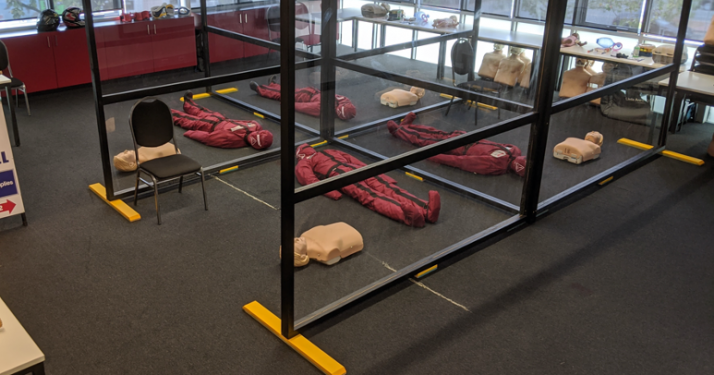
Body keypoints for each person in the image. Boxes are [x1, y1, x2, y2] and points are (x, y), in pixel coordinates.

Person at [294, 143, 440, 227]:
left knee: (374, 196)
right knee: (386, 191)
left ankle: (421, 211)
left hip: (344, 176)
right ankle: (417, 211)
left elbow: (310, 181)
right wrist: (371, 171)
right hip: (349, 174)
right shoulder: (324, 153)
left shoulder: (305, 162)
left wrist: (333, 193)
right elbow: (353, 160)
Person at [387, 111, 527, 177]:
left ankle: (398, 131)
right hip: (465, 138)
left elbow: (461, 162)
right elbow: (492, 142)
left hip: (458, 147)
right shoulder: (514, 151)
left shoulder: (496, 165)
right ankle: (407, 126)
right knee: (433, 132)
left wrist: (434, 156)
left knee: (423, 140)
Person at [171, 93, 274, 150]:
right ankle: (188, 103)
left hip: (209, 126)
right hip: (221, 119)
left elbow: (208, 138)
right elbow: (245, 122)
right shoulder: (254, 127)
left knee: (186, 119)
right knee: (202, 111)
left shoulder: (231, 139)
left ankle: (166, 113)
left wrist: (191, 133)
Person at [249, 77, 357, 120]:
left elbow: (304, 107)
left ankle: (260, 90)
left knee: (281, 94)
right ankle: (272, 85)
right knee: (286, 91)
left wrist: (289, 104)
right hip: (310, 94)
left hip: (308, 95)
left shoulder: (324, 107)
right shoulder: (339, 103)